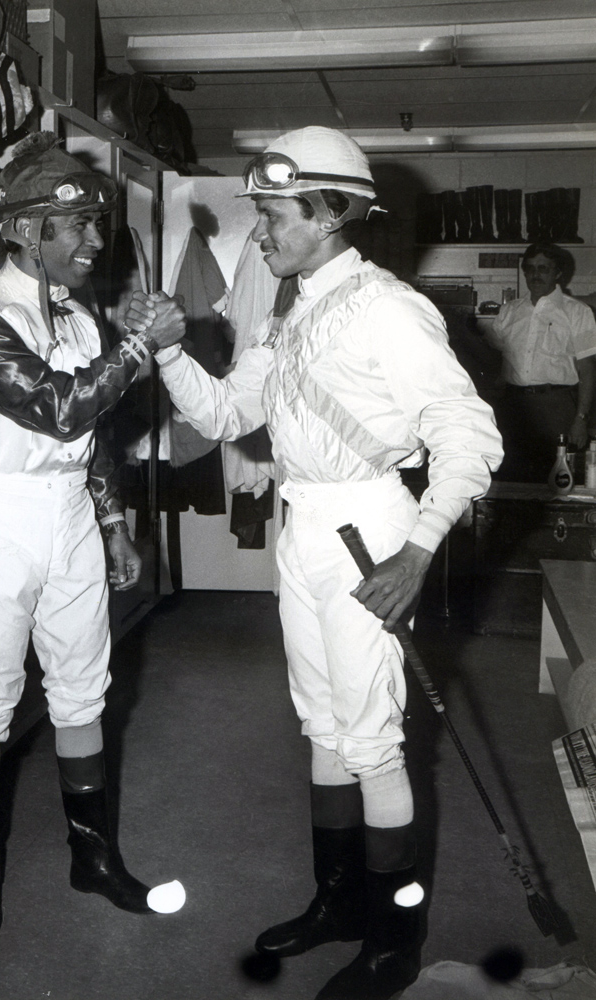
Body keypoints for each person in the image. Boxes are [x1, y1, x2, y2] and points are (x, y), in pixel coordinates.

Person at [125, 127, 503, 1000]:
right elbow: (224, 416)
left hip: (371, 525)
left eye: (272, 216)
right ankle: (337, 904)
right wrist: (174, 349)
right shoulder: (288, 312)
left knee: (373, 742)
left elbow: (467, 435)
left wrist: (417, 549)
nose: (259, 234)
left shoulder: (388, 309)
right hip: (306, 527)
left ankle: (393, 938)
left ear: (330, 214)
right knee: (323, 726)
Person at [0, 132, 184, 941]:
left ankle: (93, 855)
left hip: (72, 510)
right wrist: (145, 346)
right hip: (3, 515)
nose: (95, 243)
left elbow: (93, 431)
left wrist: (113, 524)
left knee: (83, 689)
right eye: (75, 228)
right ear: (25, 230)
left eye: (95, 227)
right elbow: (60, 407)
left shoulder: (77, 314)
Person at [486, 243, 596, 482]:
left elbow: (587, 370)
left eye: (544, 269)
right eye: (531, 269)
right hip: (513, 409)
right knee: (511, 481)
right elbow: (491, 362)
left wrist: (581, 419)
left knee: (556, 483)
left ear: (558, 273)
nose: (536, 275)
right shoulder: (509, 311)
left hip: (556, 408)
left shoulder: (579, 312)